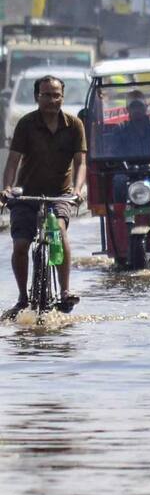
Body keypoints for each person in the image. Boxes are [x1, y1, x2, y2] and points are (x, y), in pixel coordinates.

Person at [1, 75, 86, 319]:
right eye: (46, 95)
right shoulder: (26, 124)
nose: (52, 100)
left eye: (56, 95)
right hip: (27, 194)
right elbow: (13, 161)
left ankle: (65, 291)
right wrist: (7, 187)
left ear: (62, 97)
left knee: (58, 231)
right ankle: (22, 298)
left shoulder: (74, 124)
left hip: (60, 195)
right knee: (20, 244)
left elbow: (81, 163)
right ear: (37, 97)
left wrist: (78, 191)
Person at [110, 90, 150, 202]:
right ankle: (119, 216)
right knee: (119, 181)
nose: (137, 110)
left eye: (140, 106)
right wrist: (126, 165)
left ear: (146, 107)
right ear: (127, 109)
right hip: (128, 171)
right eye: (133, 107)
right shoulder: (120, 129)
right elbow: (115, 153)